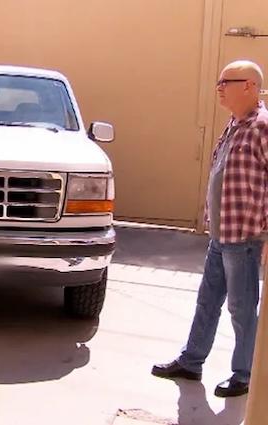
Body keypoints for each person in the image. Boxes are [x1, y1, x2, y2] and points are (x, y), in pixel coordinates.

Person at [152, 60, 268, 398]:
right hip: (221, 235)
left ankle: (245, 375)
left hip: (244, 238)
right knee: (207, 301)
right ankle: (192, 361)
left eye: (225, 82)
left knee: (242, 308)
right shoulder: (235, 123)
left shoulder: (261, 127)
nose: (219, 88)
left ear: (249, 86)